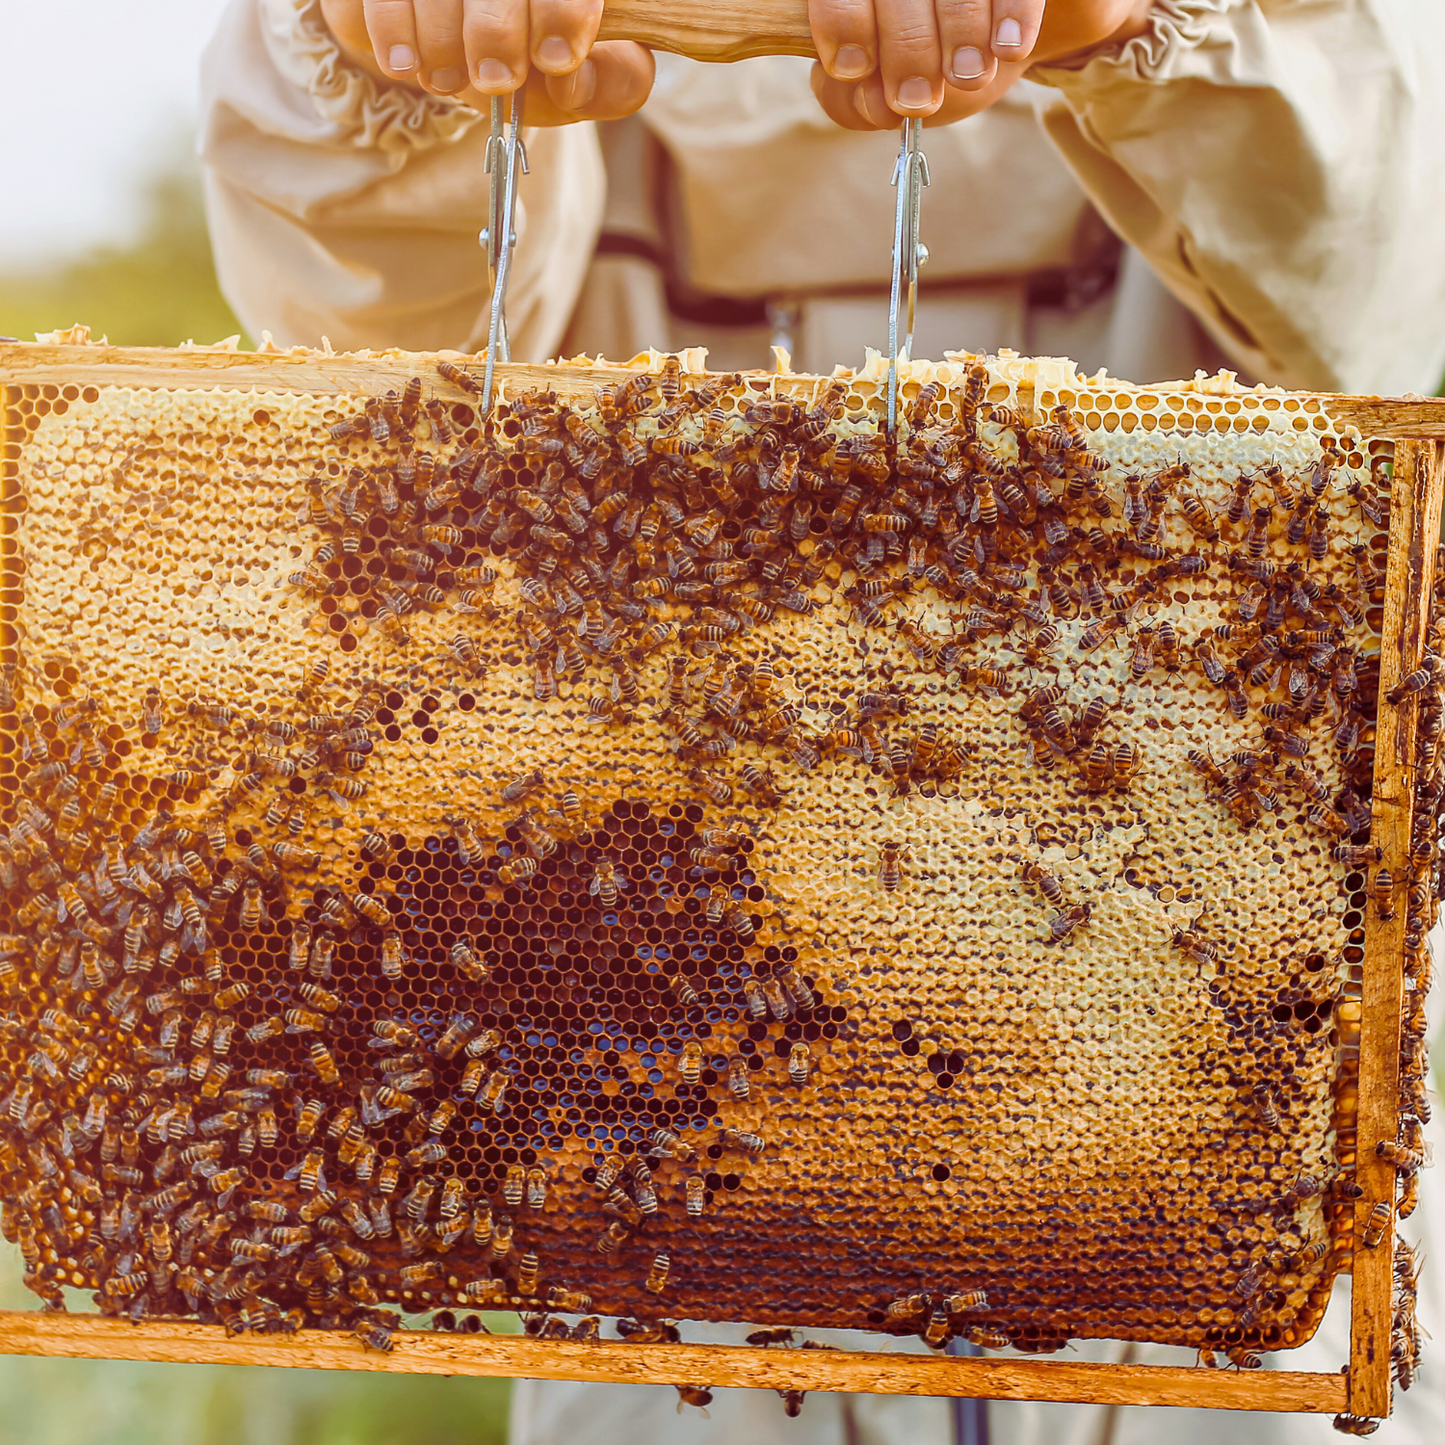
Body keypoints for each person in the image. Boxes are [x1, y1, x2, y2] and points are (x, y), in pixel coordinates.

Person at [197, 3, 1445, 1441]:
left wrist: (1127, 23)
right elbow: (372, 357)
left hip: (1232, 1257)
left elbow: (1379, 256)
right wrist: (370, 44)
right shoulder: (572, 152)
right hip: (691, 1278)